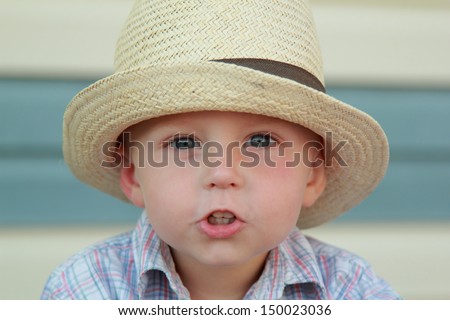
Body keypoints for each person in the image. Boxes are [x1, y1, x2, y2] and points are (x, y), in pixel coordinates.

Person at [41, 0, 400, 299]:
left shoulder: (350, 290)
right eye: (183, 143)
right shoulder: (86, 288)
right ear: (134, 175)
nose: (222, 174)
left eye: (261, 142)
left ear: (313, 176)